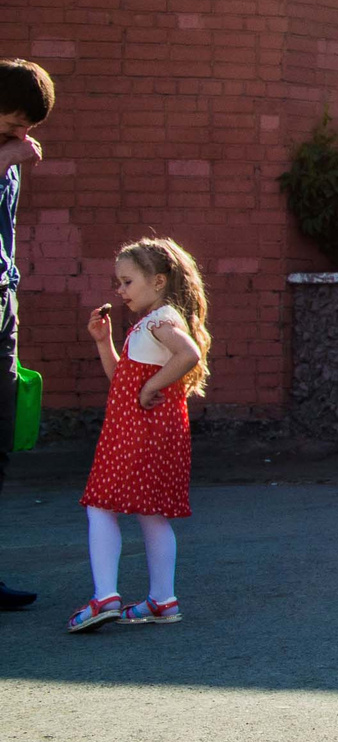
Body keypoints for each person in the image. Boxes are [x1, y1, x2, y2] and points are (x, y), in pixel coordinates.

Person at [66, 238, 209, 633]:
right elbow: (122, 380)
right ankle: (163, 600)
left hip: (137, 432)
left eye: (127, 282)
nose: (120, 291)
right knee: (151, 513)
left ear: (158, 281)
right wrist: (103, 342)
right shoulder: (151, 322)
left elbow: (189, 354)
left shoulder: (160, 321)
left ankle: (105, 595)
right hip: (148, 432)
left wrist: (151, 388)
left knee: (100, 505)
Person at [0, 59, 55, 613]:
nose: (24, 134)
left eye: (29, 126)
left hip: (2, 303)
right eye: (16, 120)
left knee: (0, 436)